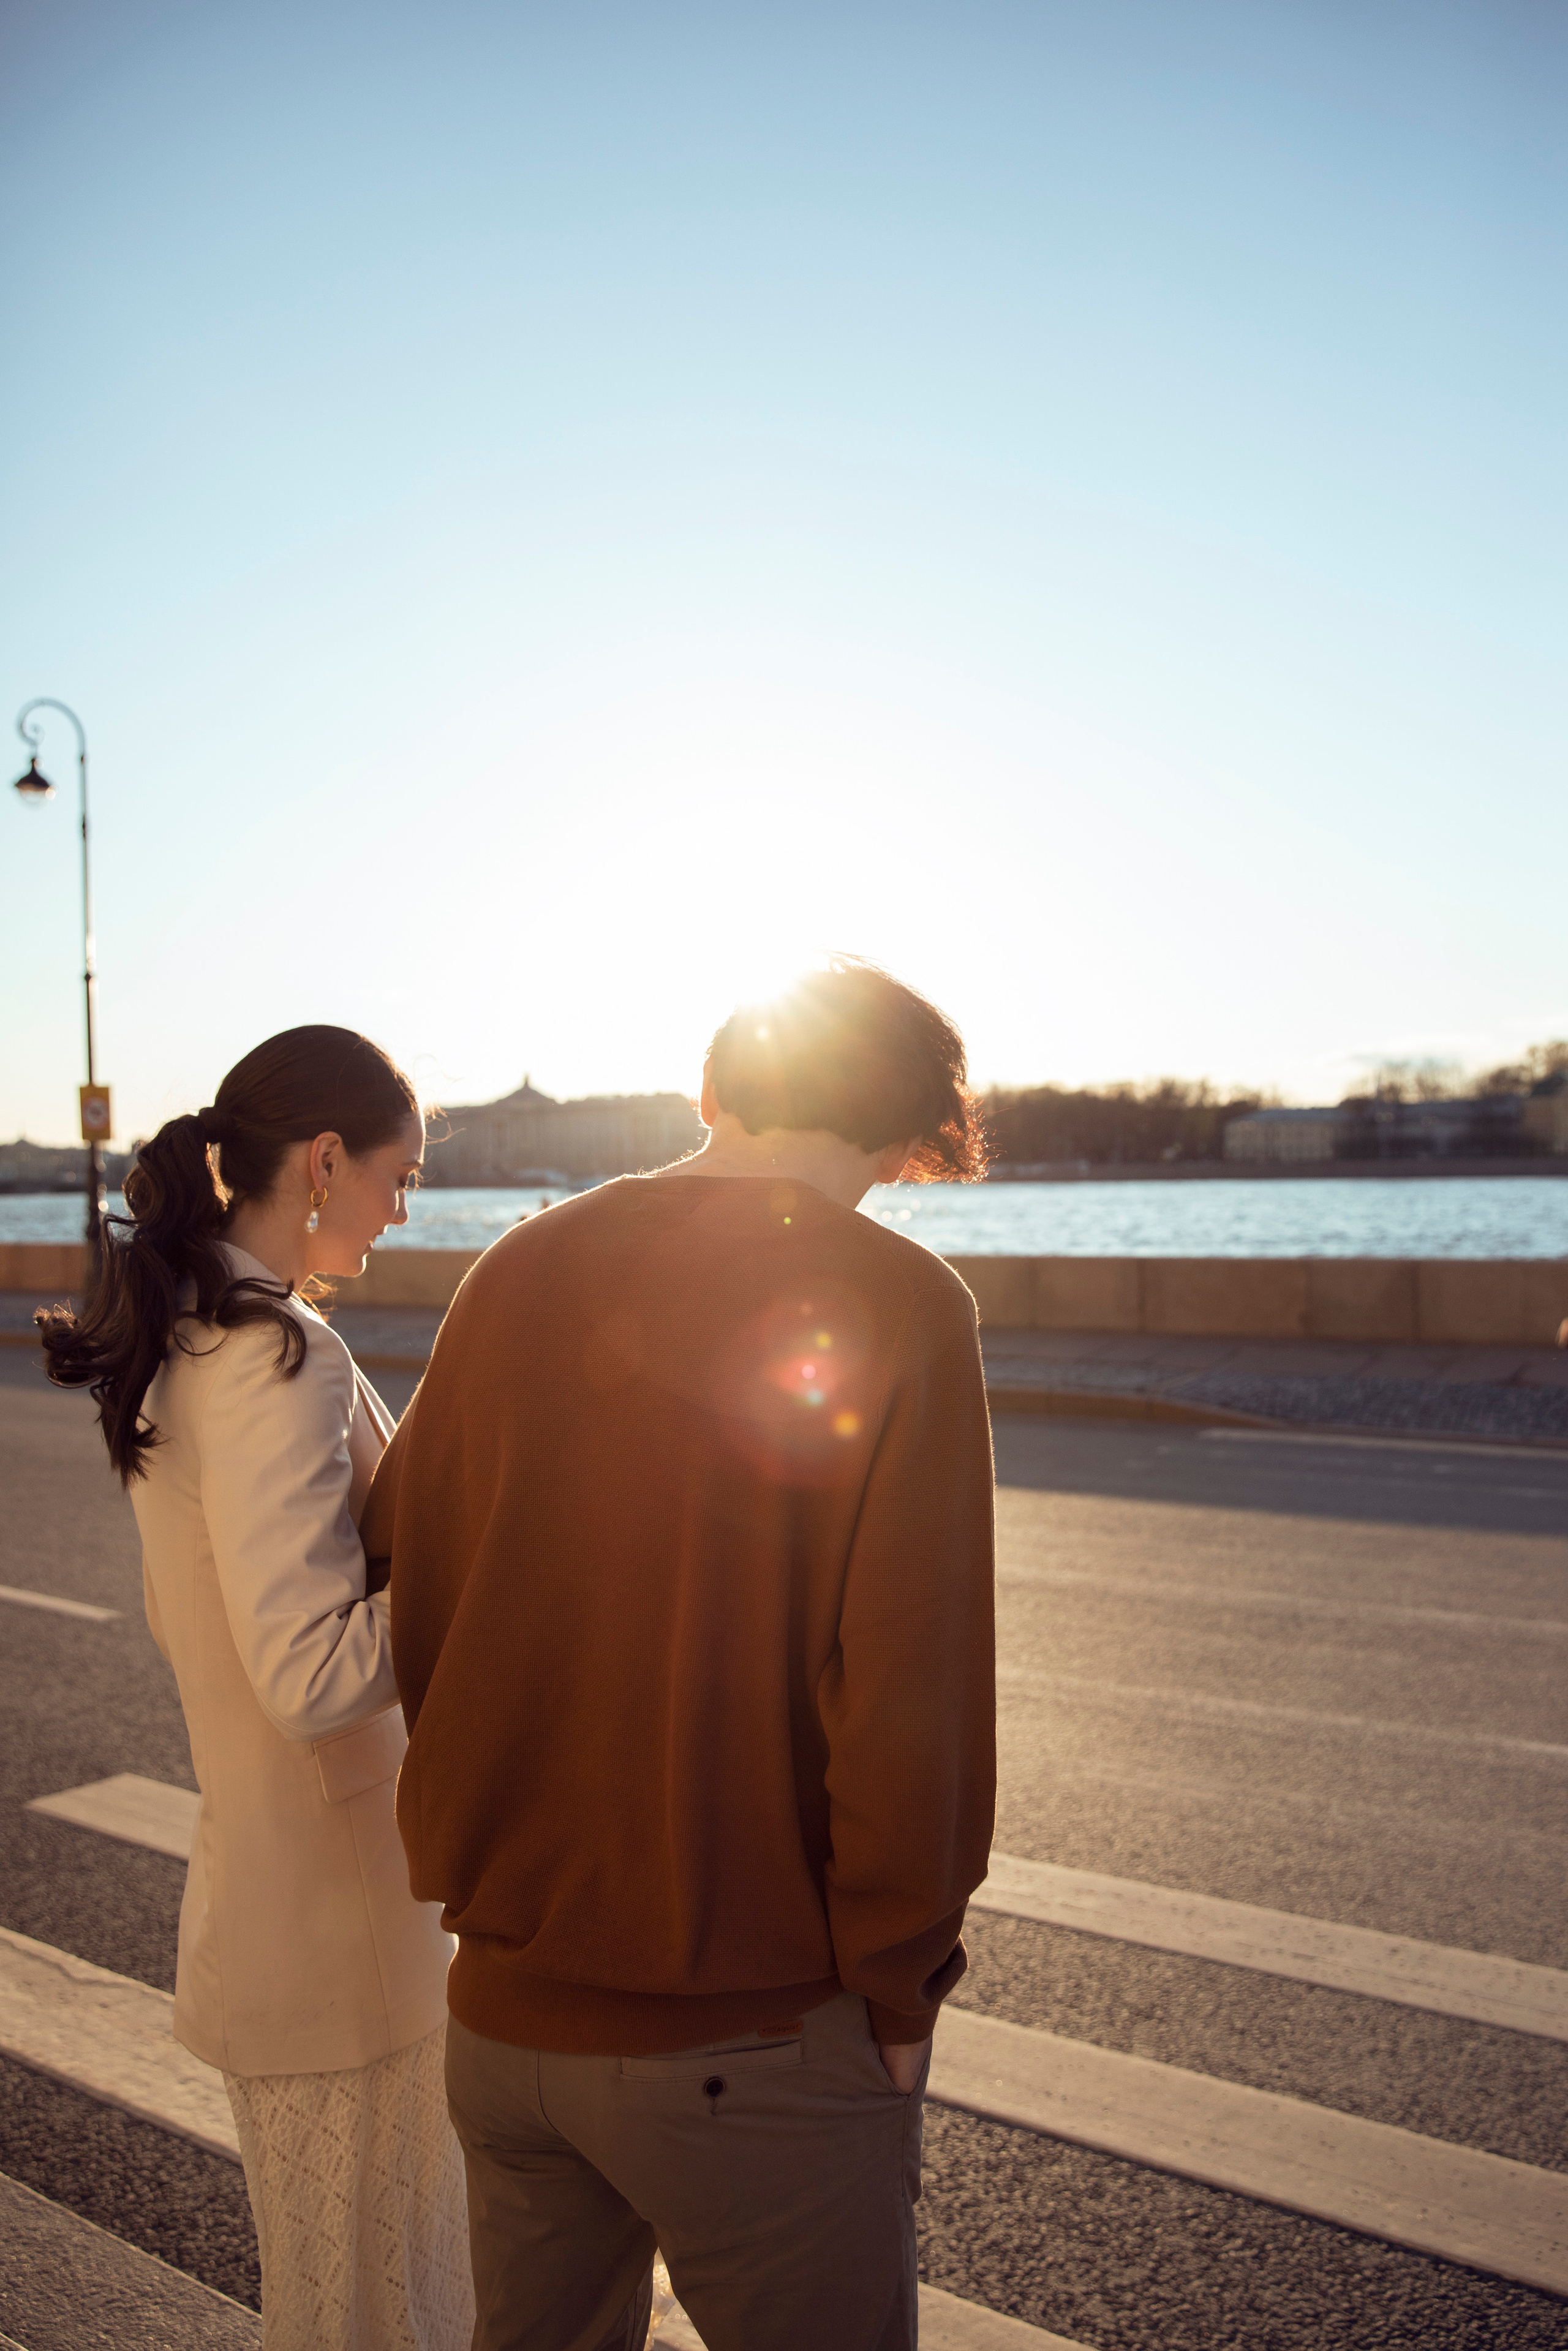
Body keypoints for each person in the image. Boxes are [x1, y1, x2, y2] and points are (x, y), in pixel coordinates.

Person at [361, 957, 997, 2351]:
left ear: (710, 1089)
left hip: (506, 2019)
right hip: (747, 2031)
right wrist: (901, 1989)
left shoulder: (515, 1264)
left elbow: (405, 1545)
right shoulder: (901, 1300)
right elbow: (913, 1698)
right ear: (907, 1134)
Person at [39, 1025, 474, 2351]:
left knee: (349, 2308)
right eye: (399, 1178)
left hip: (295, 1915)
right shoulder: (281, 1354)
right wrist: (473, 1580)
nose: (403, 1212)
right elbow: (308, 1671)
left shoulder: (196, 1333)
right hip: (349, 1942)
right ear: (326, 1160)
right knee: (382, 2316)